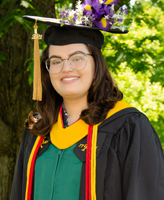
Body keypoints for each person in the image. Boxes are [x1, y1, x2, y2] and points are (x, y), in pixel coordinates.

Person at [10, 1, 164, 200]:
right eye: (56, 61)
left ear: (96, 63)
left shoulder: (129, 127)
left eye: (77, 58)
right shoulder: (38, 128)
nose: (66, 68)